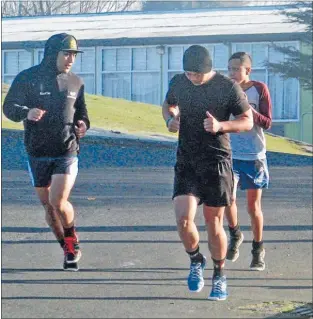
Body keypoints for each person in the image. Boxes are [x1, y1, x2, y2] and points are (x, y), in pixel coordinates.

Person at [162, 45, 253, 301]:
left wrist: (221, 125)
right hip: (187, 160)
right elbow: (168, 105)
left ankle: (220, 274)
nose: (192, 78)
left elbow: (247, 120)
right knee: (183, 220)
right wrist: (170, 120)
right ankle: (196, 259)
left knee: (214, 223)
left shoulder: (227, 87)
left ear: (208, 69)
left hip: (216, 161)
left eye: (196, 74)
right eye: (188, 73)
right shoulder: (179, 82)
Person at [3, 33, 90, 271]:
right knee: (49, 207)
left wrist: (83, 126)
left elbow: (82, 115)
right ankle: (67, 248)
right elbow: (9, 107)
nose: (71, 59)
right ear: (53, 54)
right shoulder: (28, 78)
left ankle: (72, 241)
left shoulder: (76, 82)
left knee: (58, 200)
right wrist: (26, 112)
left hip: (66, 150)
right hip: (37, 152)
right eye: (67, 54)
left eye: (74, 54)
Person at [225, 52, 272, 271]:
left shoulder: (259, 89)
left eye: (236, 69)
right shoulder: (225, 89)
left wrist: (248, 111)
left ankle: (258, 250)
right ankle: (235, 234)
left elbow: (267, 122)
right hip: (229, 154)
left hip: (254, 155)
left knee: (253, 207)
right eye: (229, 69)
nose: (232, 73)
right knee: (227, 199)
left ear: (247, 70)